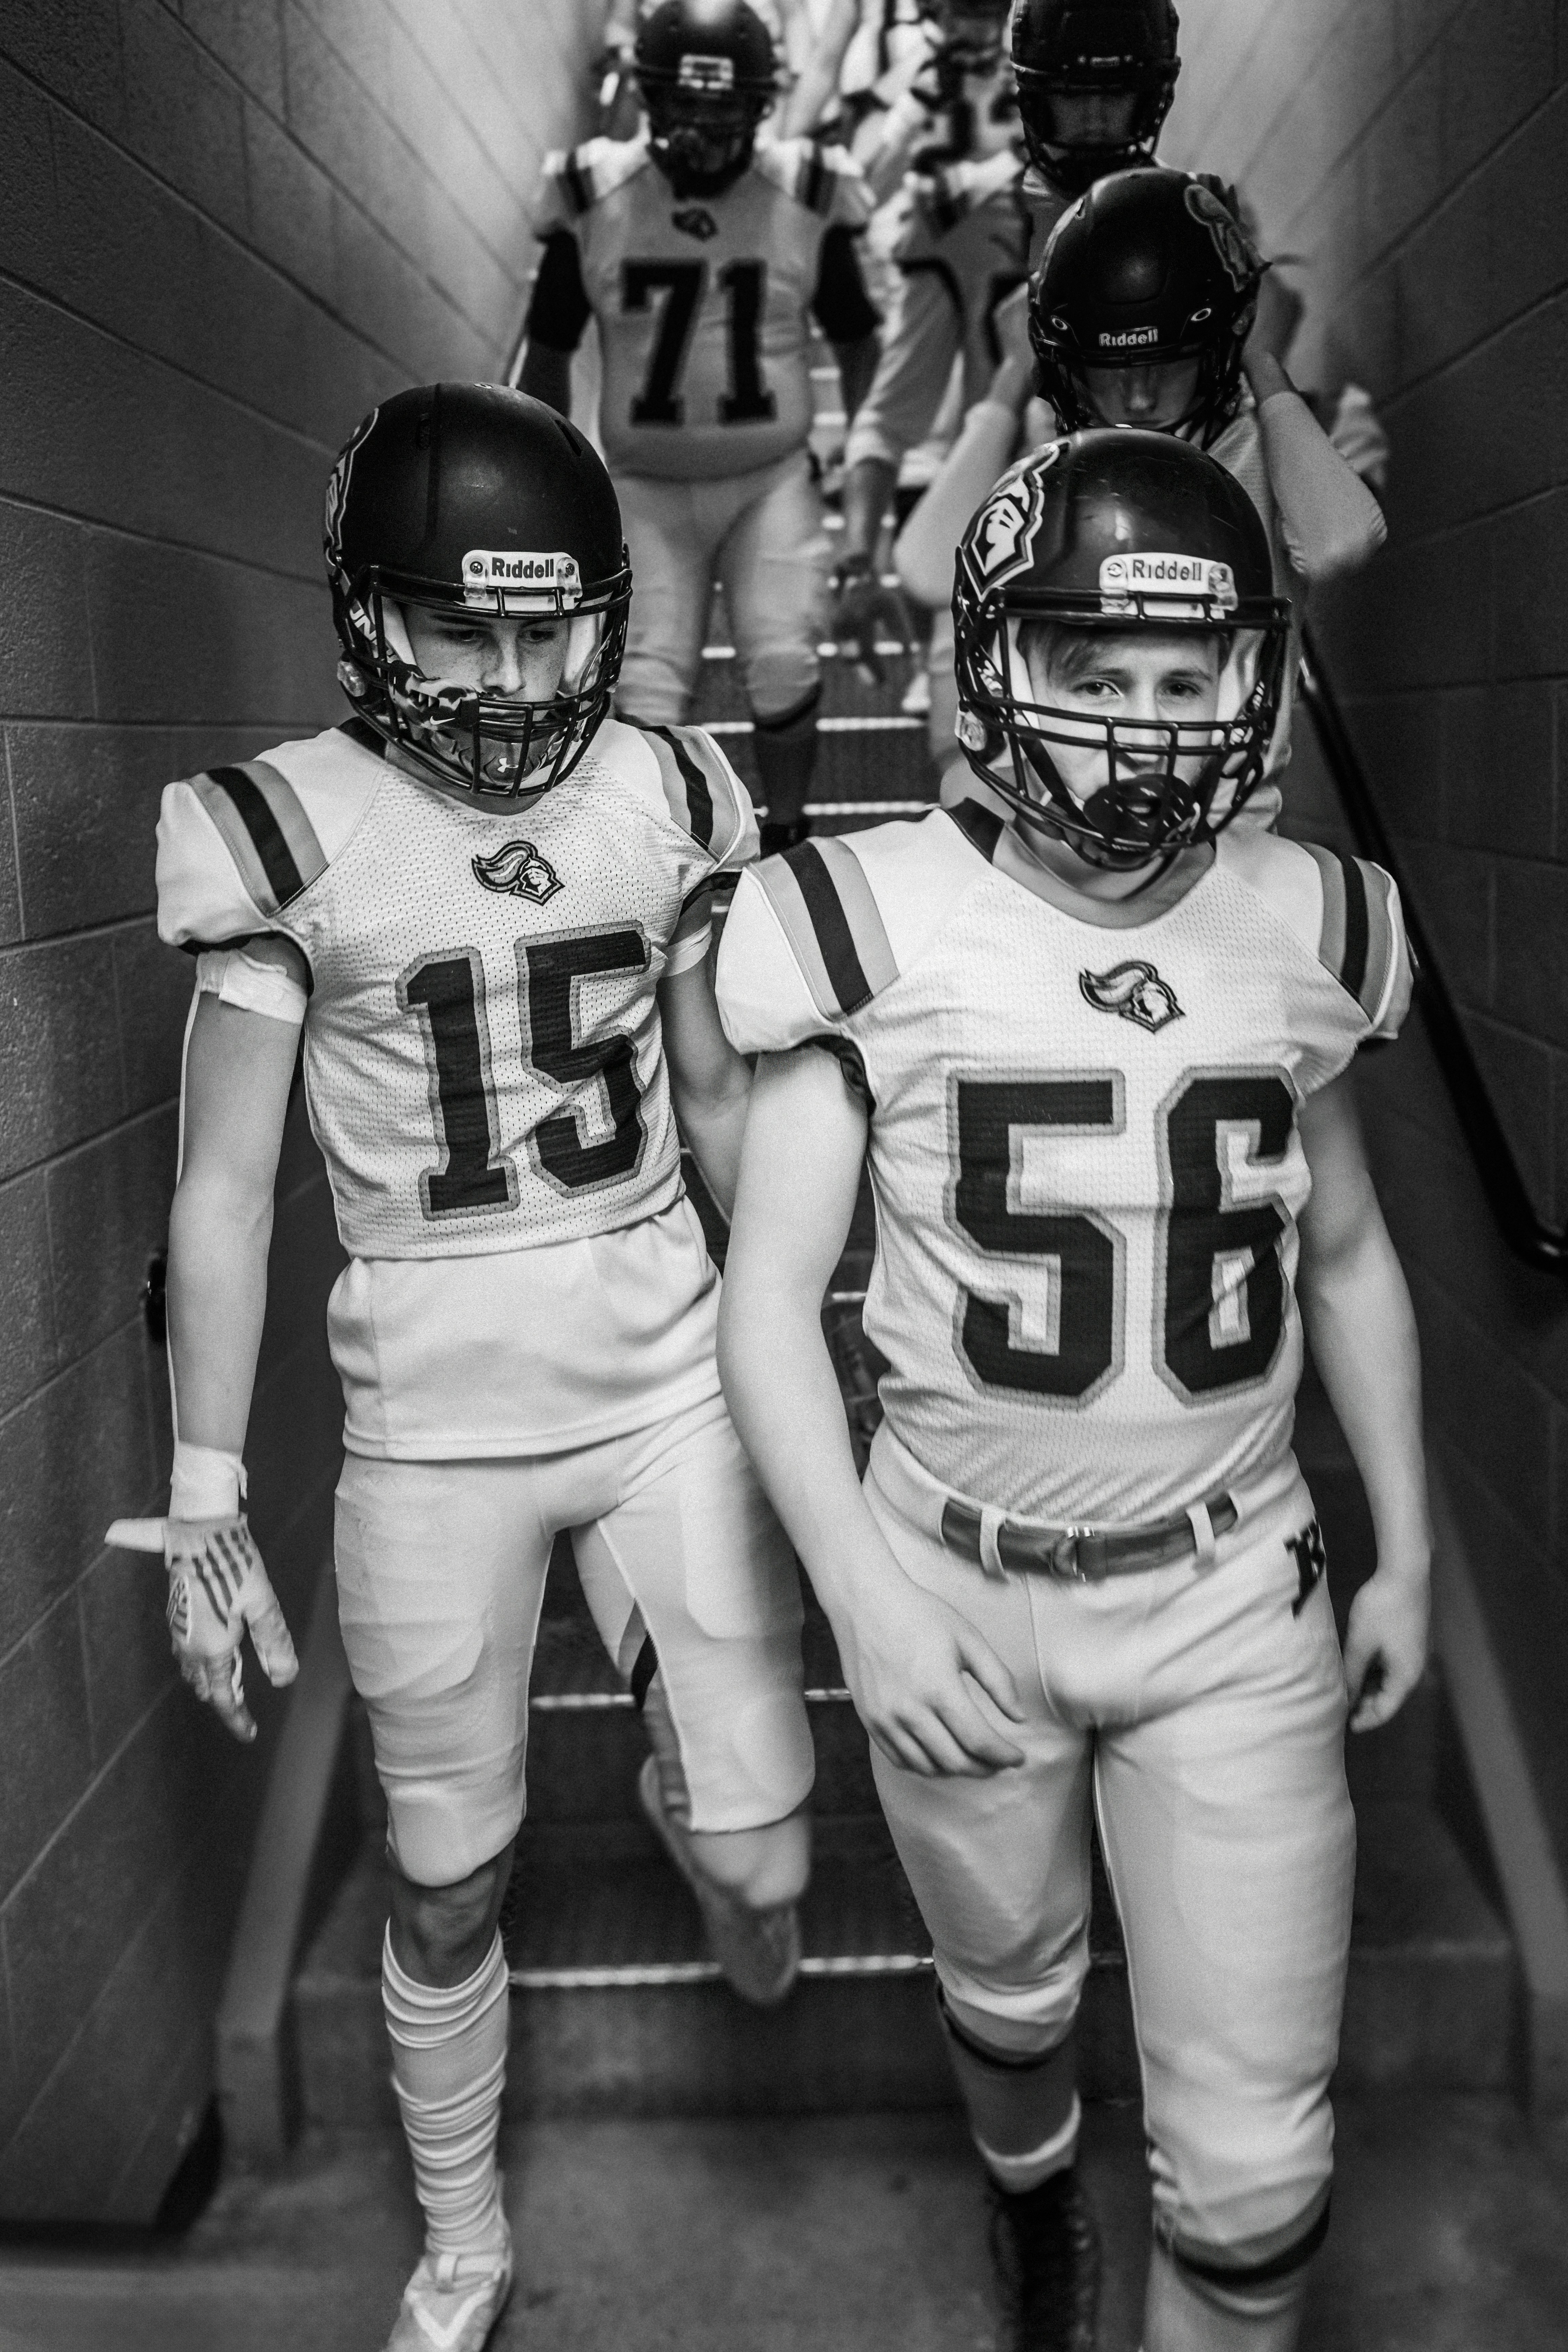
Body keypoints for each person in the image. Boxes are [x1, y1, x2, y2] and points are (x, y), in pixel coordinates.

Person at [109, 384, 813, 2352]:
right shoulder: (287, 829)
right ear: (366, 618)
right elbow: (226, 1196)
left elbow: (710, 1098)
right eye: (458, 630)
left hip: (664, 1380)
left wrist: (803, 1329)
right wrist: (204, 1491)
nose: (510, 681)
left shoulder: (662, 794)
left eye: (545, 629)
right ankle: (460, 2238)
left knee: (763, 1851)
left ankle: (711, 1812)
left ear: (602, 612)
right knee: (444, 1883)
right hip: (432, 1435)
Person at [715, 431, 1430, 2352]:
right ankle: (1028, 2195)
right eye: (1092, 673)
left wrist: (1409, 1554)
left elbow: (1344, 1251)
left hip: (1230, 1592)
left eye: (1181, 679)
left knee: (1260, 2177)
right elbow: (767, 1306)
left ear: (1249, 683)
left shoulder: (1303, 923)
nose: (1140, 722)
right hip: (949, 1581)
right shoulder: (858, 923)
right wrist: (861, 1603)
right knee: (1012, 2001)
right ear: (989, 669)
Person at [895, 167, 1386, 803]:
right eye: (1110, 367)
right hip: (1058, 830)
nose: (1140, 394)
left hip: (1222, 833)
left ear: (1221, 345)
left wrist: (1263, 362)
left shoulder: (1263, 451)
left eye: (1168, 361)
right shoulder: (1053, 458)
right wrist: (1015, 376)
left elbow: (1339, 543)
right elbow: (926, 570)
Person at [519, 0, 881, 855]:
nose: (707, 138)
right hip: (643, 484)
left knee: (785, 658)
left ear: (761, 108)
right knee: (643, 686)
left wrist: (855, 445)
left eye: (727, 117)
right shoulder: (596, 193)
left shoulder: (803, 193)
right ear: (649, 100)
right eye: (688, 114)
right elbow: (547, 349)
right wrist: (551, 469)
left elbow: (862, 342)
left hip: (772, 480)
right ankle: (657, 848)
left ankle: (788, 832)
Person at [831, 0, 1029, 676]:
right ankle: (930, 627)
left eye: (985, 11)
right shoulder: (924, 74)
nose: (974, 25)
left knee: (1003, 430)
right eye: (963, 11)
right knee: (950, 433)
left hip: (1010, 262)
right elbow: (873, 177)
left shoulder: (1026, 68)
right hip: (945, 259)